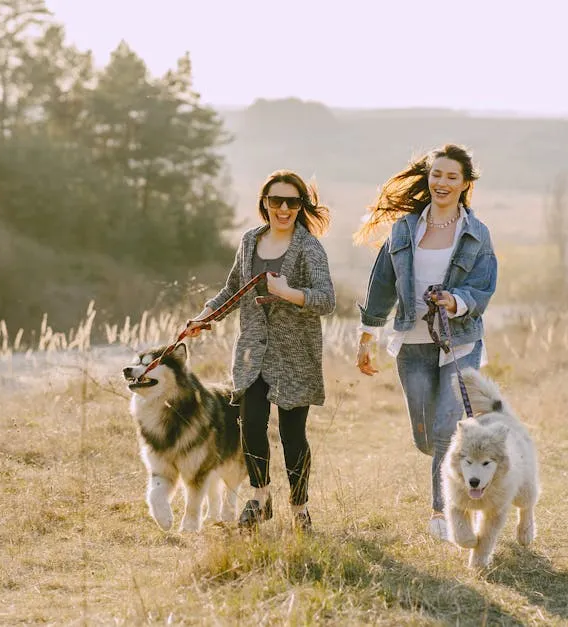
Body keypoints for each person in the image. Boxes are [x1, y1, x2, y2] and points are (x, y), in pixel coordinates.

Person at [353, 144, 498, 541]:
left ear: (465, 184)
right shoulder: (404, 230)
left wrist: (455, 300)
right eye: (437, 175)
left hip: (460, 343)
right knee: (424, 436)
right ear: (428, 178)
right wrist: (368, 333)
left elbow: (482, 288)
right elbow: (382, 282)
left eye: (452, 177)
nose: (442, 183)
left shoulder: (476, 234)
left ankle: (442, 512)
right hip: (412, 341)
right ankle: (448, 471)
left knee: (445, 428)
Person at [185, 170, 336, 532]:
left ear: (301, 206)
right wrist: (204, 317)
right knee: (250, 426)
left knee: (292, 435)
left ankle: (300, 508)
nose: (284, 208)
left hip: (295, 355)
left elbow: (327, 299)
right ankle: (260, 497)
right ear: (264, 203)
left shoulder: (309, 247)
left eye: (292, 202)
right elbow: (233, 289)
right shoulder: (250, 241)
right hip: (252, 352)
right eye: (276, 201)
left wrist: (288, 293)